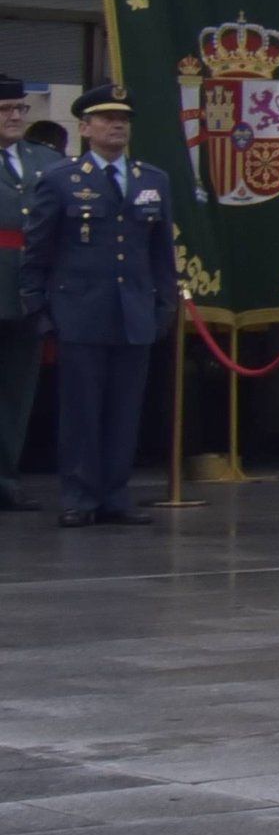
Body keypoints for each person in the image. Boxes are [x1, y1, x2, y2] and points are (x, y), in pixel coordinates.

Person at [25, 86, 179, 526]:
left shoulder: (152, 179)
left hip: (134, 309)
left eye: (123, 119)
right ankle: (79, 495)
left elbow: (161, 251)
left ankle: (115, 494)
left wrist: (164, 304)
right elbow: (39, 249)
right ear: (85, 128)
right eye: (107, 119)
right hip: (80, 309)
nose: (117, 126)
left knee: (124, 409)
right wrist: (37, 304)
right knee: (81, 409)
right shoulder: (61, 179)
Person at [0, 78, 53, 509]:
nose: (15, 117)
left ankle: (6, 477)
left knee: (18, 389)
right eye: (5, 110)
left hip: (29, 290)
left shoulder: (45, 161)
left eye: (20, 109)